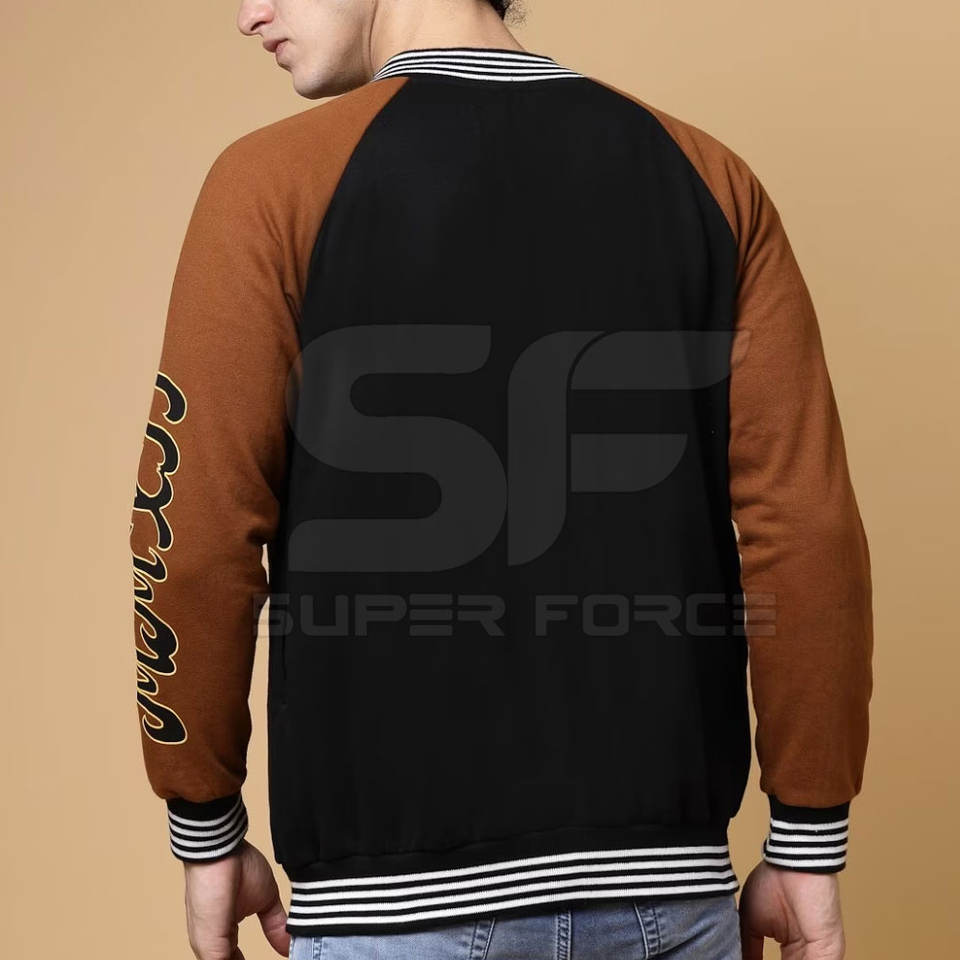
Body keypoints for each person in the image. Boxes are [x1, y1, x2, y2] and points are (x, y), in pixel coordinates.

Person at [128, 1, 874, 958]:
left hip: (393, 916)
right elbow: (806, 529)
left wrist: (205, 823)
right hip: (666, 900)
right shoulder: (708, 178)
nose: (249, 14)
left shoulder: (272, 183)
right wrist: (807, 842)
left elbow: (191, 535)